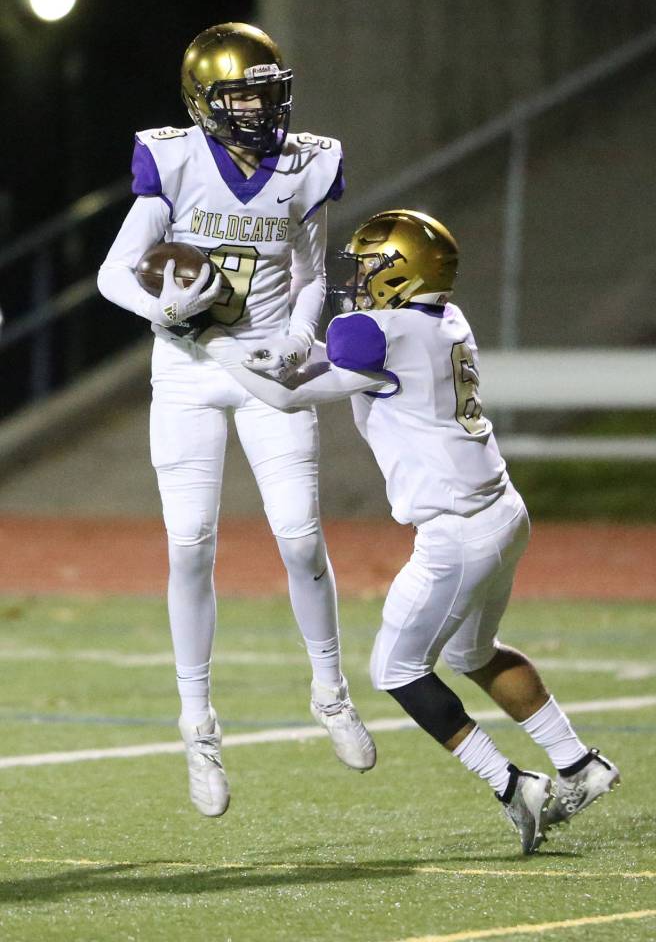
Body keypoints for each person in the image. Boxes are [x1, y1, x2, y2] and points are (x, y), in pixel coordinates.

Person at [205, 209, 621, 853]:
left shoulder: (380, 330)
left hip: (457, 532)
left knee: (396, 669)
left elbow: (289, 396)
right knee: (472, 655)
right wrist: (283, 351)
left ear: (401, 271)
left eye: (369, 265)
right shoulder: (444, 319)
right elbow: (349, 362)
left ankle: (514, 786)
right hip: (503, 510)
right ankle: (580, 765)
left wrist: (214, 348)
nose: (359, 277)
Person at [97, 22, 376, 819]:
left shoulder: (309, 160)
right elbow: (114, 271)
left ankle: (330, 690)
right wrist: (167, 309)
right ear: (204, 100)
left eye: (266, 90)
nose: (258, 108)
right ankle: (198, 728)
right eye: (241, 95)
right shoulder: (173, 157)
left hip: (267, 367)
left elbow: (315, 270)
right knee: (190, 549)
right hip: (189, 372)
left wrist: (298, 334)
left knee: (300, 538)